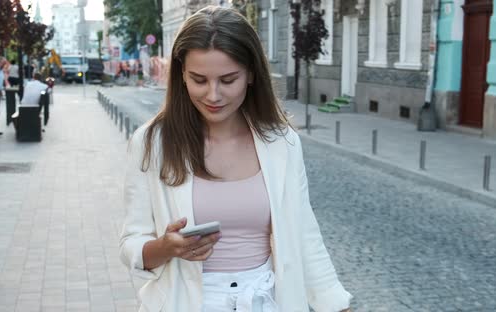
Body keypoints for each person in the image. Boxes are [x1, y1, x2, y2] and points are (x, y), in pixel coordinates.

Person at [120, 6, 352, 312]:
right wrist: (165, 247)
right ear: (182, 76)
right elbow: (131, 244)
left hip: (267, 301)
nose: (213, 95)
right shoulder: (153, 143)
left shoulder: (281, 142)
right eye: (199, 80)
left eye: (228, 80)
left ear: (252, 74)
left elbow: (305, 234)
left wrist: (336, 305)